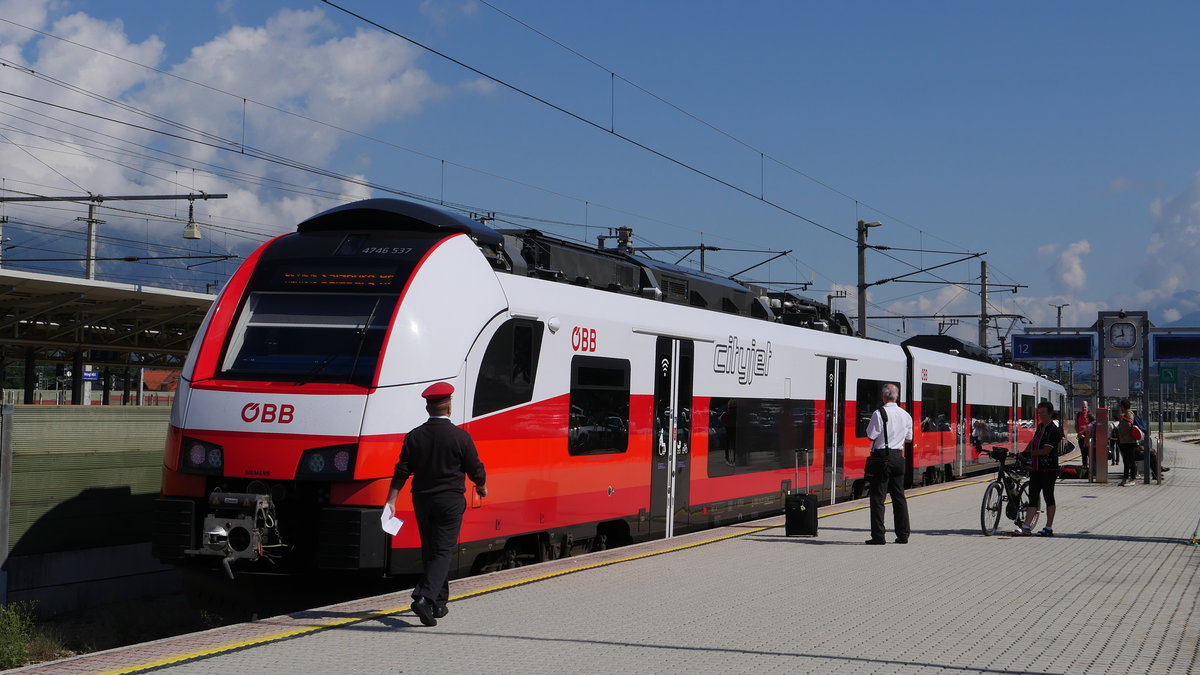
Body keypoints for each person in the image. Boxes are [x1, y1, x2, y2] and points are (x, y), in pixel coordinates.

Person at [386, 382, 487, 627]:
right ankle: (423, 597)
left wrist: (392, 499)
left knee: (431, 550)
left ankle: (439, 604)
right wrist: (481, 485)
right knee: (443, 551)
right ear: (449, 407)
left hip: (422, 500)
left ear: (427, 407)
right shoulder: (460, 437)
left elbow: (402, 470)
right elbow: (475, 468)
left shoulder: (414, 436)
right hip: (450, 501)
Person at [864, 383, 912, 545]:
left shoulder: (879, 413)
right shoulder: (905, 415)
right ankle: (903, 535)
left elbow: (871, 435)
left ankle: (878, 536)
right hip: (899, 457)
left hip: (882, 458)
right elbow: (909, 438)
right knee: (899, 497)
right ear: (896, 396)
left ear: (883, 396)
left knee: (878, 498)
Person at [1015, 400, 1063, 536]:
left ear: (1050, 414)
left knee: (1048, 497)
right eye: (1039, 413)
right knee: (1033, 497)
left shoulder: (1054, 430)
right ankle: (1026, 526)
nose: (1040, 415)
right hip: (1036, 468)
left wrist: (1029, 454)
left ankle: (1048, 527)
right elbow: (1033, 442)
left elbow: (1046, 450)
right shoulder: (1040, 427)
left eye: (1043, 413)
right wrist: (1023, 453)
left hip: (1049, 469)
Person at [1115, 399, 1139, 486]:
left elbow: (1129, 425)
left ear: (1123, 406)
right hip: (1125, 441)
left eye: (1121, 406)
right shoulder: (1126, 414)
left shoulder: (1129, 413)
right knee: (1126, 461)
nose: (1120, 408)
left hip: (1130, 441)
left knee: (1131, 461)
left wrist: (1122, 419)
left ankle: (1133, 478)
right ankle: (1125, 478)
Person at [1074, 401, 1090, 469]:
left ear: (1087, 407)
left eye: (1085, 407)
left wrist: (1083, 432)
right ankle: (1085, 466)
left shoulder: (1090, 415)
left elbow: (1092, 425)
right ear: (1081, 407)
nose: (1084, 409)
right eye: (1083, 407)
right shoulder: (1078, 415)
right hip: (1081, 436)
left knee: (1090, 453)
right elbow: (1076, 425)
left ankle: (1092, 467)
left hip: (1088, 436)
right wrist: (1079, 433)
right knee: (1083, 453)